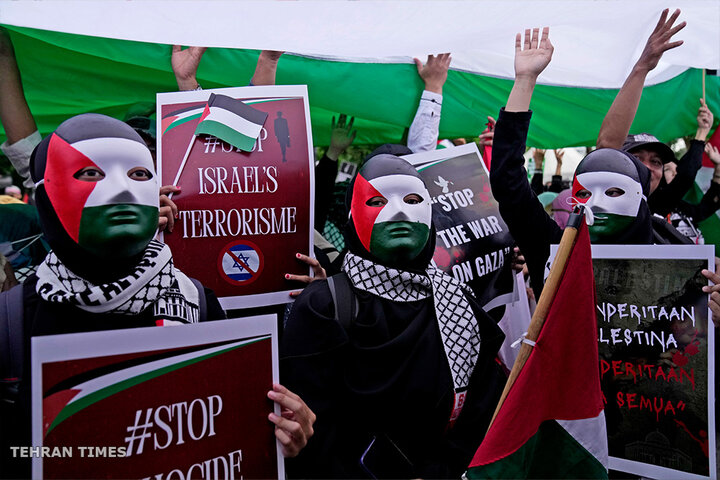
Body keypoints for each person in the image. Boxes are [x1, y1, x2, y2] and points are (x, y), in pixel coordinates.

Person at [0, 113, 315, 477]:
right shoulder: (12, 321)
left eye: (139, 175)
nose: (121, 189)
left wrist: (281, 431)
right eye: (90, 174)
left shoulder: (197, 303)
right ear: (44, 197)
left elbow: (229, 431)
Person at [281, 154, 506, 478]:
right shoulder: (323, 306)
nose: (399, 211)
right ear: (352, 216)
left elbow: (482, 411)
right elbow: (309, 430)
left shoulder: (461, 303)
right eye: (377, 201)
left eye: (413, 200)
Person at [489, 24, 690, 301]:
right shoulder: (555, 250)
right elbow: (508, 181)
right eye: (584, 193)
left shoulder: (677, 256)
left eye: (615, 191)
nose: (596, 203)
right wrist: (525, 80)